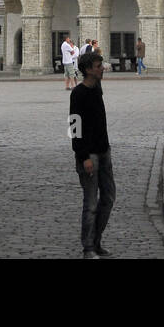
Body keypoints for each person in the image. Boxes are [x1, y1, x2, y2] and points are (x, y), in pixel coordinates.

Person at [70, 49, 116, 258]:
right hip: (89, 156)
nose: (102, 69)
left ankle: (96, 241)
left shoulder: (98, 88)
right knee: (90, 203)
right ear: (88, 70)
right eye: (98, 67)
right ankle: (88, 247)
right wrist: (83, 156)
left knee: (108, 197)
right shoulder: (78, 94)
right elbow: (74, 127)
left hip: (104, 151)